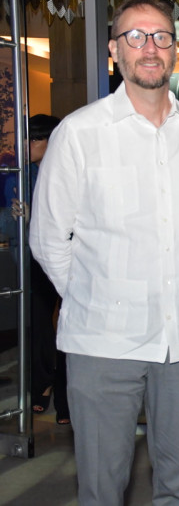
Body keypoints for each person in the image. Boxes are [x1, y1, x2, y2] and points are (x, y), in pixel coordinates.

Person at [29, 0, 179, 505]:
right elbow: (49, 238)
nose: (150, 48)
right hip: (102, 343)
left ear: (175, 50)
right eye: (135, 37)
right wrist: (95, 296)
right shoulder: (80, 134)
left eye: (161, 36)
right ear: (115, 50)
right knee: (101, 485)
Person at [9, 114, 71, 424]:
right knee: (41, 327)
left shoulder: (67, 170)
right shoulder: (16, 174)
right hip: (33, 260)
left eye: (35, 139)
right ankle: (42, 386)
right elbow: (9, 222)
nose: (28, 145)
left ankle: (63, 397)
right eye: (26, 138)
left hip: (67, 256)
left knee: (66, 326)